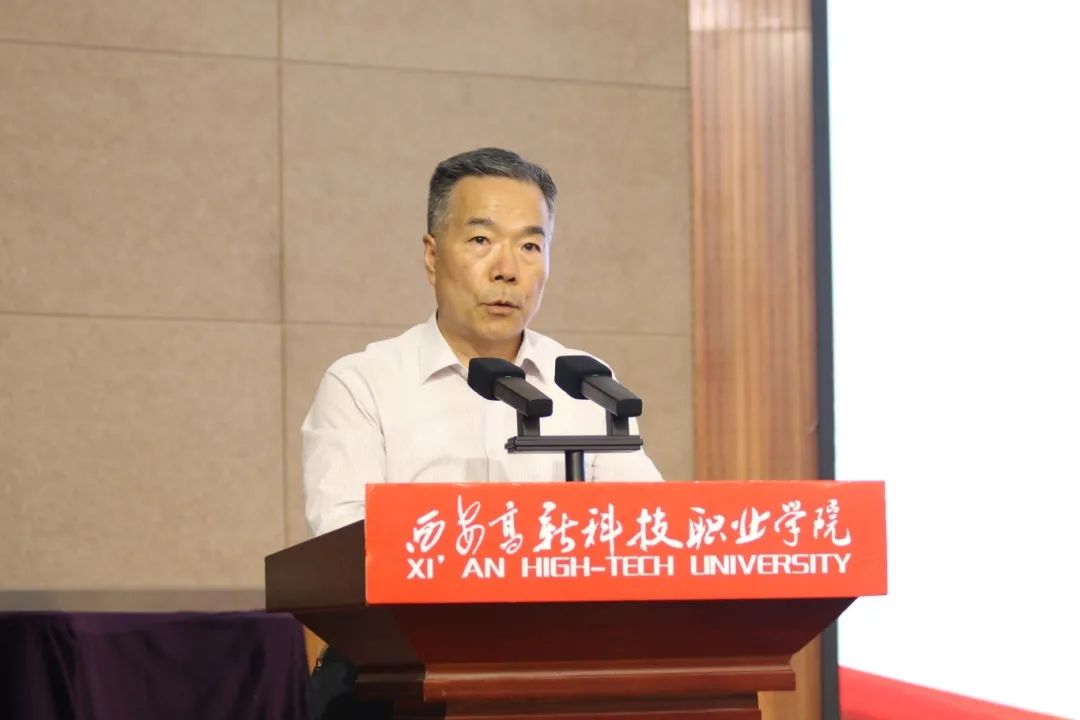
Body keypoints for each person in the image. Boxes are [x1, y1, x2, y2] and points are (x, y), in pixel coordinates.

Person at [302, 147, 663, 719]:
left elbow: (649, 533)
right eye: (480, 240)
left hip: (564, 675)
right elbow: (345, 549)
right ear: (431, 255)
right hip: (395, 681)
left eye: (530, 246)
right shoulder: (364, 383)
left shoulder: (589, 384)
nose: (507, 269)